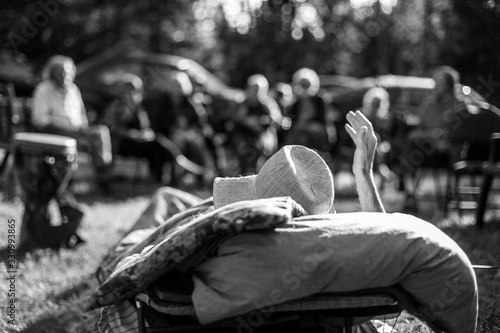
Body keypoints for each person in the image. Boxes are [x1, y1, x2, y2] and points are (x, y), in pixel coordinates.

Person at [95, 112, 477, 333]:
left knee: (164, 197)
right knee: (170, 197)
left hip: (150, 240)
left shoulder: (256, 247)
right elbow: (384, 228)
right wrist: (365, 174)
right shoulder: (317, 237)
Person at [32, 55, 113, 189]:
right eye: (60, 72)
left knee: (101, 132)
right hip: (54, 133)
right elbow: (40, 121)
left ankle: (104, 172)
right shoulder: (43, 89)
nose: (65, 75)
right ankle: (96, 180)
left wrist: (83, 127)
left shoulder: (74, 89)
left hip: (76, 132)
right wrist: (70, 132)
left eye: (68, 72)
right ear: (52, 73)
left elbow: (81, 114)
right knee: (83, 143)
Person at [154, 71, 217, 185]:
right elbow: (159, 124)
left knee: (197, 143)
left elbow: (200, 122)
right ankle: (175, 178)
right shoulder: (163, 104)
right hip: (170, 135)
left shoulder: (189, 103)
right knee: (178, 143)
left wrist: (192, 131)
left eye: (179, 86)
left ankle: (202, 176)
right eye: (174, 85)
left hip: (190, 134)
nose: (176, 89)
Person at [228, 74, 282, 174]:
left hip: (263, 133)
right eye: (254, 88)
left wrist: (261, 121)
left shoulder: (268, 103)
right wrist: (246, 121)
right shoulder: (242, 102)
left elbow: (276, 119)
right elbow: (235, 119)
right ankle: (245, 173)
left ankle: (261, 174)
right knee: (244, 148)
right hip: (243, 134)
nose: (256, 92)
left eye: (258, 89)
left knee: (263, 147)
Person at [284, 68, 334, 154]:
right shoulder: (296, 104)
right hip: (299, 132)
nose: (304, 87)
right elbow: (292, 122)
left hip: (317, 133)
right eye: (302, 84)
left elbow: (326, 121)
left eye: (306, 84)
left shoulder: (319, 101)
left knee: (304, 134)